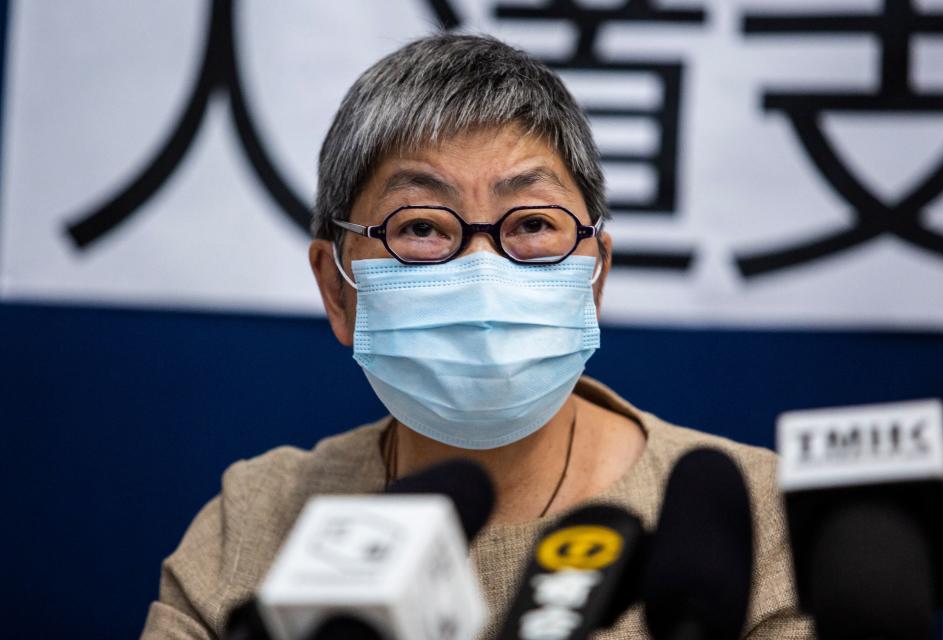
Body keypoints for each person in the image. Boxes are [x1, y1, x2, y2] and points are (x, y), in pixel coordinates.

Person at [141, 34, 813, 639]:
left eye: (531, 225)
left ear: (595, 277)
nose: (482, 273)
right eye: (423, 228)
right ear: (336, 287)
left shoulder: (753, 525)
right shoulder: (256, 523)